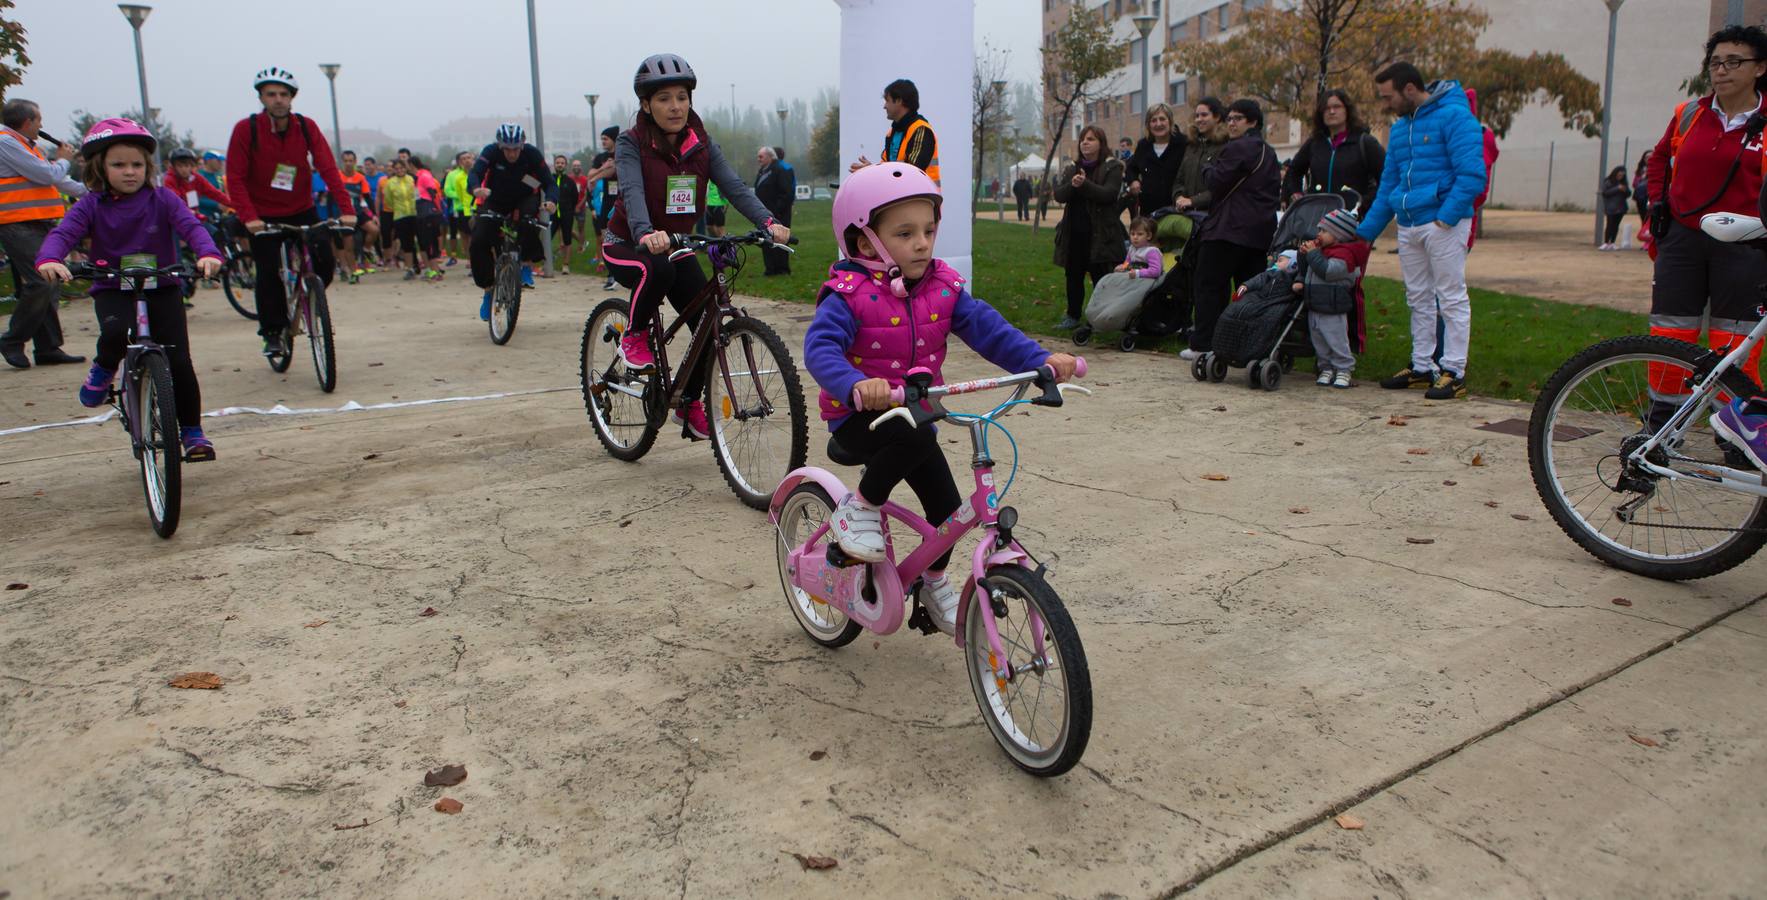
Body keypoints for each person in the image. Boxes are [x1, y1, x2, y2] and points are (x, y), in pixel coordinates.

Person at [803, 161, 1077, 633]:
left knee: (951, 512)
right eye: (905, 233)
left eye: (928, 230)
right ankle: (859, 508)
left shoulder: (942, 288)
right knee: (914, 435)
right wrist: (854, 384)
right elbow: (820, 349)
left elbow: (990, 331)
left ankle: (931, 581)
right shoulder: (848, 296)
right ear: (866, 242)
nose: (923, 243)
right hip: (858, 418)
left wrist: (1040, 358)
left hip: (913, 412)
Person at [603, 53, 788, 440]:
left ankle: (688, 404)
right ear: (646, 105)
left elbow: (735, 187)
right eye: (665, 98)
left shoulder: (701, 145)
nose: (675, 106)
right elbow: (633, 192)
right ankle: (633, 335)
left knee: (708, 323)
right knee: (659, 268)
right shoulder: (631, 142)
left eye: (682, 97)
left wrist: (768, 222)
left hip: (676, 242)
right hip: (628, 243)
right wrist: (643, 232)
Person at [35, 119, 222, 459]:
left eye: (137, 164)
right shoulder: (91, 204)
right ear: (100, 168)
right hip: (112, 286)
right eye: (118, 165)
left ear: (148, 166)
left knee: (179, 361)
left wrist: (208, 253)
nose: (130, 172)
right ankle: (105, 367)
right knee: (115, 332)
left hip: (162, 285)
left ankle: (193, 432)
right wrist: (50, 258)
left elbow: (191, 227)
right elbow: (63, 234)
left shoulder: (163, 198)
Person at [1644, 24, 1767, 396]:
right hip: (1683, 238)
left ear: (1759, 68)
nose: (1722, 70)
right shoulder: (1689, 113)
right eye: (1715, 62)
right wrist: (1657, 204)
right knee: (1670, 333)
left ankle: (1734, 432)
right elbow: (1659, 159)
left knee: (1734, 340)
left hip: (1745, 246)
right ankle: (1662, 424)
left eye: (1734, 61)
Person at [1354, 62, 1487, 400]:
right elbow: (1389, 186)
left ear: (1409, 89)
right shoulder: (1400, 130)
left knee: (1451, 296)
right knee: (1418, 298)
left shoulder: (1456, 117)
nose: (1386, 104)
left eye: (1389, 97)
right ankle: (1421, 366)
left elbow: (1472, 173)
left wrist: (1447, 216)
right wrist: (1365, 232)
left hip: (1443, 223)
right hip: (1409, 223)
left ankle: (1454, 371)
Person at [225, 67, 355, 357]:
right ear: (261, 97)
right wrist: (249, 218)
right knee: (268, 271)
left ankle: (310, 294)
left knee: (323, 258)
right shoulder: (247, 129)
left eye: (284, 94)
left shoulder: (305, 127)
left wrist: (347, 210)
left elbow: (328, 169)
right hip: (263, 215)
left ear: (292, 97)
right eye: (271, 94)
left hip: (302, 208)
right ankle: (272, 332)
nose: (278, 100)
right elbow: (234, 177)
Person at [1184, 99, 1281, 361]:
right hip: (1258, 233)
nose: (1231, 123)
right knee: (1248, 292)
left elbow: (1216, 181)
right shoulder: (1269, 153)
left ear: (1252, 122)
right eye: (1229, 119)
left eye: (1238, 118)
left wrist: (1206, 168)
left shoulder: (1237, 147)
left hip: (1227, 230)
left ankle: (1204, 343)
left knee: (1209, 287)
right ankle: (1248, 345)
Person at [0, 98, 87, 369]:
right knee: (42, 281)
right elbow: (47, 174)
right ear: (27, 122)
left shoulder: (27, 146)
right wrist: (63, 161)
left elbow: (57, 180)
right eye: (39, 120)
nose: (41, 125)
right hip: (15, 223)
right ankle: (12, 340)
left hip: (37, 222)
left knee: (52, 280)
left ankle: (48, 347)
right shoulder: (6, 142)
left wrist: (95, 193)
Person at [469, 124, 556, 319]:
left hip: (524, 199)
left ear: (522, 145)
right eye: (507, 149)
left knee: (529, 222)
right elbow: (475, 173)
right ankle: (488, 290)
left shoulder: (532, 154)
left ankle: (525, 264)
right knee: (479, 240)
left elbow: (549, 182)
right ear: (500, 146)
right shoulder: (491, 152)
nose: (512, 154)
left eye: (516, 149)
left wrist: (551, 200)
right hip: (496, 199)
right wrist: (476, 189)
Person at [1051, 126, 1127, 331]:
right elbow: (1059, 195)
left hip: (1101, 234)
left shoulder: (1113, 167)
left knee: (1100, 278)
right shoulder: (1072, 168)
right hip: (1075, 233)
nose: (1085, 142)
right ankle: (1072, 315)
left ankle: (1100, 317)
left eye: (1091, 139)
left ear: (1100, 143)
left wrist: (1084, 185)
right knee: (1073, 277)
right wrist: (1073, 185)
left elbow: (1109, 195)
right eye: (1083, 139)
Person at [1283, 89, 1383, 215]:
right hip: (1317, 219)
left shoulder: (1365, 142)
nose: (1331, 111)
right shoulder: (1315, 143)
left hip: (1352, 221)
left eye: (1337, 107)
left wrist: (1364, 203)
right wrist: (1296, 193)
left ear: (1347, 110)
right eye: (1326, 108)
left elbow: (1386, 178)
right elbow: (1294, 171)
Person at [1300, 208, 1369, 388]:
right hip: (1316, 302)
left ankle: (1344, 369)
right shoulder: (1322, 250)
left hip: (1333, 305)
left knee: (1336, 339)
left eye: (1324, 231)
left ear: (1338, 235)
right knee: (1319, 340)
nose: (1319, 234)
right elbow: (1311, 270)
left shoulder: (1344, 255)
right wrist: (1305, 256)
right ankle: (1326, 367)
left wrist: (1313, 254)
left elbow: (1328, 271)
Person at [849, 79, 939, 183]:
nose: (884, 106)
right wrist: (871, 170)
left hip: (921, 198)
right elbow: (887, 168)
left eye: (887, 100)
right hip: (902, 198)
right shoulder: (891, 133)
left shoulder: (921, 130)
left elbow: (912, 173)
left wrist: (874, 171)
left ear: (899, 101)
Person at [1125, 103, 1188, 222]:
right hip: (1149, 212)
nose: (1158, 124)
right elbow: (1131, 168)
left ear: (1170, 121)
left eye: (1162, 119)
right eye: (1153, 120)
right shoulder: (1143, 145)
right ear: (1148, 125)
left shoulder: (1183, 143)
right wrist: (1133, 181)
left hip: (1177, 210)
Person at [754, 146, 794, 275]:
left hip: (779, 214)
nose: (758, 159)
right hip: (765, 214)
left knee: (780, 240)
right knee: (766, 240)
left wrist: (776, 211)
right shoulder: (763, 170)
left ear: (770, 157)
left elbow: (787, 193)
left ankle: (782, 269)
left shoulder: (780, 170)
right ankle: (770, 269)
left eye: (761, 156)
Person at [589, 126, 620, 290]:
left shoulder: (622, 153)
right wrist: (602, 169)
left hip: (622, 200)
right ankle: (611, 273)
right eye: (601, 139)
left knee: (623, 238)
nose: (603, 142)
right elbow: (590, 175)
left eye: (605, 139)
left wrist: (608, 169)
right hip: (607, 201)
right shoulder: (601, 157)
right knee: (605, 237)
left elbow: (617, 169)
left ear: (613, 139)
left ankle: (620, 273)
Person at [379, 158, 420, 279]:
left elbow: (417, 194)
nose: (400, 170)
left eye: (402, 168)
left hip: (413, 213)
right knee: (406, 242)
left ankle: (416, 263)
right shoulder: (390, 183)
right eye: (397, 169)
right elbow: (388, 201)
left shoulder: (411, 179)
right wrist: (398, 207)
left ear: (406, 168)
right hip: (400, 215)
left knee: (415, 241)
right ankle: (409, 268)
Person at [411, 156, 447, 280]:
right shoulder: (418, 177)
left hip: (428, 212)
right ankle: (432, 270)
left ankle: (436, 271)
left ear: (411, 165)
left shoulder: (425, 176)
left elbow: (434, 193)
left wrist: (437, 209)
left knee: (430, 241)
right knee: (425, 242)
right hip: (421, 211)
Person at [550, 153, 581, 274]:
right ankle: (547, 264)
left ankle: (565, 265)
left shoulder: (570, 181)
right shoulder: (550, 179)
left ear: (565, 165)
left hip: (566, 213)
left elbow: (575, 198)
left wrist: (569, 209)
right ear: (554, 164)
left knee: (567, 239)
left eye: (562, 163)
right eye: (558, 163)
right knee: (547, 238)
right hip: (552, 214)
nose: (560, 165)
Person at [444, 151, 476, 259]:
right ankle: (469, 259)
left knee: (476, 236)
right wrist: (461, 197)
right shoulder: (454, 175)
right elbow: (448, 191)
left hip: (476, 209)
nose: (467, 161)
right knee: (464, 236)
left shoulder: (478, 173)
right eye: (463, 159)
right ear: (459, 162)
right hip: (461, 208)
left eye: (469, 158)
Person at [1600, 166, 1631, 251]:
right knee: (1609, 224)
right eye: (1619, 175)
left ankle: (1612, 242)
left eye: (1622, 175)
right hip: (1611, 207)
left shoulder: (1624, 183)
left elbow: (1628, 194)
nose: (1620, 177)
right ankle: (1606, 242)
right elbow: (1605, 193)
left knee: (1616, 225)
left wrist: (1625, 190)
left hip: (1621, 207)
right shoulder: (1608, 182)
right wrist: (1617, 188)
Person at [1632, 151, 1653, 246]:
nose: (1648, 159)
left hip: (1651, 196)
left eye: (1651, 156)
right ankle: (1645, 239)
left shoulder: (1656, 167)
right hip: (1641, 197)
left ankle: (1651, 241)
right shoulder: (1640, 171)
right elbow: (1634, 184)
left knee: (1651, 218)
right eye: (1646, 157)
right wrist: (1642, 178)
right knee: (1643, 218)